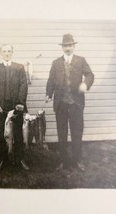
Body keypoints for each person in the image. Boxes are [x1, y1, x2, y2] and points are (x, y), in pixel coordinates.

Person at [45, 34, 94, 171]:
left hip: (76, 103)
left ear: (73, 46)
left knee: (77, 132)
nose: (68, 48)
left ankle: (77, 161)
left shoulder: (81, 60)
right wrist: (49, 94)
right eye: (65, 46)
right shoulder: (56, 63)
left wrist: (85, 84)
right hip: (60, 103)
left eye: (70, 45)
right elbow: (51, 80)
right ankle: (63, 161)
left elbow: (90, 75)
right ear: (62, 47)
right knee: (62, 133)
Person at [0, 44, 30, 171]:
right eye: (4, 51)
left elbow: (24, 86)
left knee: (18, 134)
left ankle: (20, 159)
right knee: (2, 134)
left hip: (16, 106)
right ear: (1, 53)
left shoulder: (19, 67)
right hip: (2, 107)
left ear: (12, 52)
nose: (7, 53)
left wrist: (20, 103)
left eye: (9, 51)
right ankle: (2, 159)